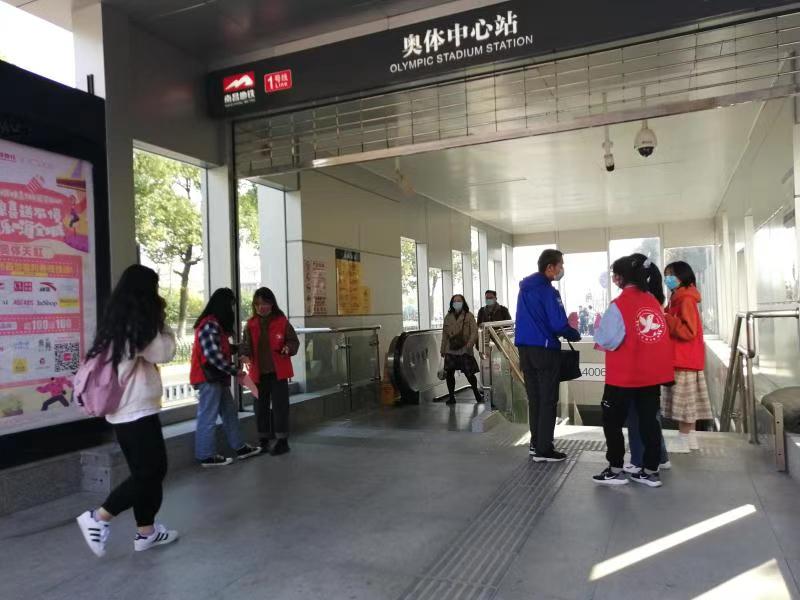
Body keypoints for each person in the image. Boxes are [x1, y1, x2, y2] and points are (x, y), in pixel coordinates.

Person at [76, 265, 178, 557]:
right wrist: (164, 326)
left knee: (146, 473)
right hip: (136, 411)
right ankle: (99, 517)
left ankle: (146, 532)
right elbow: (165, 352)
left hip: (123, 413)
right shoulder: (138, 325)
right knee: (151, 472)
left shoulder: (117, 322)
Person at [593, 255, 674, 487]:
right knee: (649, 422)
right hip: (651, 375)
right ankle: (650, 471)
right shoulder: (653, 302)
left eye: (614, 275)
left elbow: (608, 340)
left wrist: (598, 328)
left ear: (621, 277)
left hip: (624, 376)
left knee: (612, 422)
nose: (613, 279)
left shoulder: (619, 305)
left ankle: (615, 469)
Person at [515, 249, 581, 462]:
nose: (562, 269)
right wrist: (573, 333)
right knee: (548, 399)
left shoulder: (525, 289)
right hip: (545, 350)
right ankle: (544, 449)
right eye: (560, 265)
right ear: (550, 267)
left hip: (525, 350)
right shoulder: (548, 291)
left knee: (535, 399)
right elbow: (557, 324)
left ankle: (535, 444)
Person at [190, 288, 261, 467]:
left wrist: (235, 348)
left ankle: (240, 447)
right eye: (231, 305)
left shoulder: (214, 325)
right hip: (209, 379)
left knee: (229, 413)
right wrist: (235, 371)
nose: (232, 310)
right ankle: (206, 455)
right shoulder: (209, 325)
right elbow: (213, 357)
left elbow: (219, 349)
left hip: (217, 378)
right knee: (208, 416)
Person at [623, 254, 671, 473]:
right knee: (651, 415)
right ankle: (660, 456)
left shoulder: (639, 300)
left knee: (637, 415)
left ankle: (640, 460)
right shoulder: (655, 299)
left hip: (637, 366)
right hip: (654, 365)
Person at [240, 287, 300, 456]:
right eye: (257, 304)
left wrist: (288, 348)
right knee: (260, 407)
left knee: (280, 407)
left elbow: (293, 341)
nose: (261, 307)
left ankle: (282, 441)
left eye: (265, 303)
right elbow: (245, 345)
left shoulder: (282, 322)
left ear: (272, 303)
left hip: (278, 373)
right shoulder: (250, 324)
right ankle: (263, 440)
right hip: (257, 374)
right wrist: (244, 354)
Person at [662, 261, 712, 453]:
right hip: (686, 359)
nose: (668, 278)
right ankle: (690, 440)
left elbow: (688, 331)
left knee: (685, 405)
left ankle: (683, 441)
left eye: (671, 274)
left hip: (684, 359)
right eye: (666, 275)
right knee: (688, 403)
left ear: (683, 276)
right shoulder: (679, 297)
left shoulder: (685, 300)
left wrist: (666, 317)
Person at [440, 294, 483, 405]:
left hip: (464, 349)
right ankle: (451, 397)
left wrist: (470, 344)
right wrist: (442, 349)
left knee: (469, 373)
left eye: (459, 301)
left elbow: (474, 332)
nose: (457, 303)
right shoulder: (448, 317)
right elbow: (444, 335)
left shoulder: (469, 316)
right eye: (455, 301)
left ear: (463, 302)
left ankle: (476, 394)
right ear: (452, 303)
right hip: (450, 349)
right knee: (449, 373)